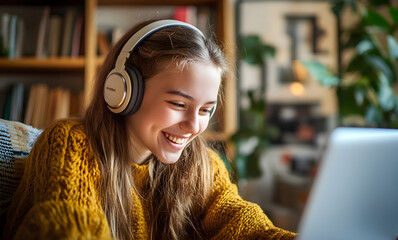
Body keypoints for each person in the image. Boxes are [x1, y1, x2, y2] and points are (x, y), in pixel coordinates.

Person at [2, 19, 296, 240]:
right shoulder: (70, 145)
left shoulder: (203, 166)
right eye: (179, 104)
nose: (194, 126)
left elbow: (246, 225)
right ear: (123, 91)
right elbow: (67, 227)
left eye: (206, 110)